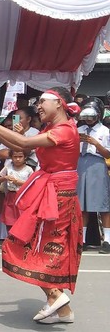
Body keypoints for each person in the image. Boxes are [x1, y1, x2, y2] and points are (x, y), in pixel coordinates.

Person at [0, 86, 82, 325]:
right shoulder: (53, 129)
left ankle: (56, 296)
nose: (39, 106)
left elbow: (22, 142)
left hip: (57, 197)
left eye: (43, 101)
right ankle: (62, 309)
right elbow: (21, 145)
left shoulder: (64, 131)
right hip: (54, 192)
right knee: (37, 246)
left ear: (60, 104)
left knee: (30, 245)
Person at [76, 98, 110, 254]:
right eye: (87, 116)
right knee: (82, 204)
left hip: (97, 164)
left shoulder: (105, 131)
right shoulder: (79, 129)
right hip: (80, 164)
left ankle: (107, 240)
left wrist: (95, 143)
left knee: (102, 204)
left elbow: (107, 153)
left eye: (92, 116)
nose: (89, 120)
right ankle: (81, 240)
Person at [0, 150, 33, 231]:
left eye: (20, 157)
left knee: (22, 219)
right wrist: (5, 177)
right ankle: (10, 239)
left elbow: (32, 184)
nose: (17, 159)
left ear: (25, 158)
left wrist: (18, 182)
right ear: (11, 158)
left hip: (23, 197)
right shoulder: (8, 167)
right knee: (10, 219)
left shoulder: (28, 169)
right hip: (11, 196)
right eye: (15, 157)